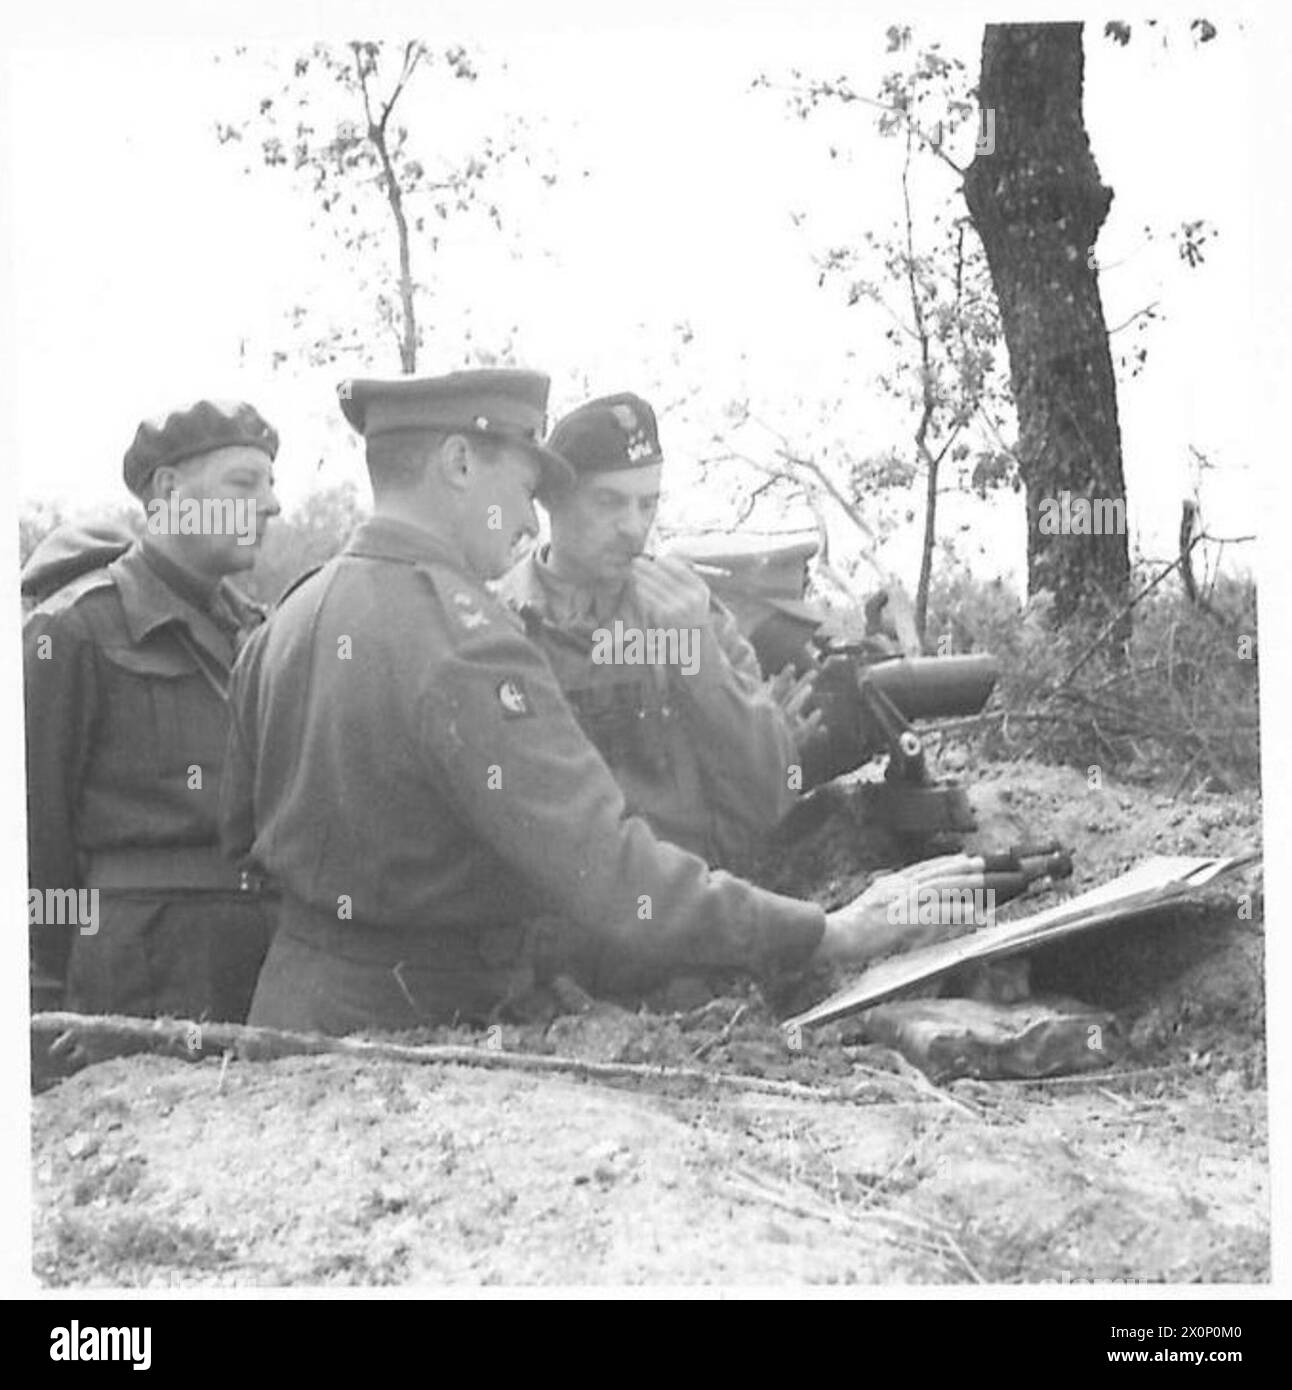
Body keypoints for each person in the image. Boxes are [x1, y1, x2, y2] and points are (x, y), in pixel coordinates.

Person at [220, 370, 959, 1036]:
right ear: (458, 464)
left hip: (289, 1011)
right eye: (518, 490)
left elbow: (238, 840)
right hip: (415, 1027)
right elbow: (612, 874)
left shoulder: (285, 616)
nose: (521, 520)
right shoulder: (473, 638)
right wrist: (832, 933)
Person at [24, 399, 282, 1030]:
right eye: (245, 484)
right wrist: (50, 987)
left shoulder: (259, 632)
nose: (271, 505)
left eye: (271, 485)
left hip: (264, 965)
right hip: (136, 974)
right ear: (170, 490)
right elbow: (35, 836)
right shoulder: (73, 628)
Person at [497, 392, 800, 872]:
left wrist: (698, 660)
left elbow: (775, 793)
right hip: (554, 923)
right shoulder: (498, 624)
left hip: (697, 912)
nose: (634, 528)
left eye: (648, 504)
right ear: (552, 499)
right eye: (609, 503)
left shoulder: (689, 611)